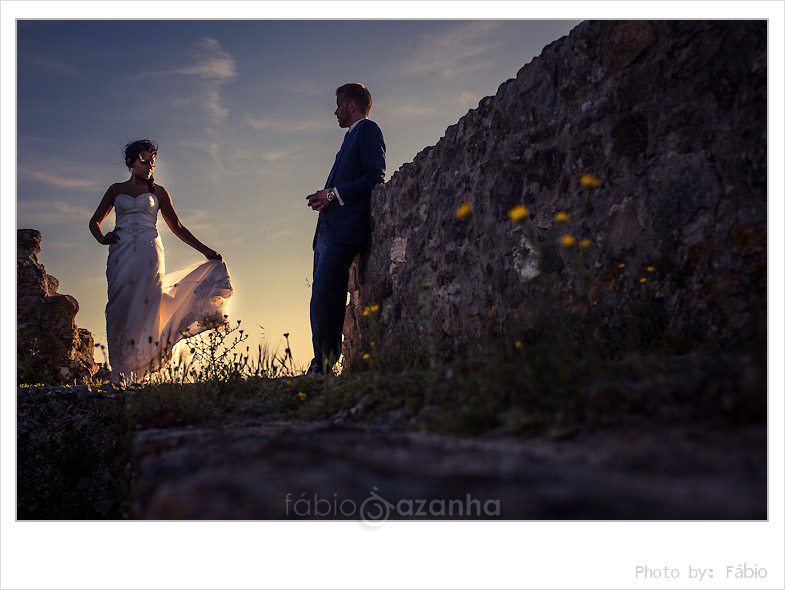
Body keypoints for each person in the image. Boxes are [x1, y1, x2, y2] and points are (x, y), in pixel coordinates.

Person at [89, 139, 232, 384]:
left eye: (152, 162)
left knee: (148, 306)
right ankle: (120, 369)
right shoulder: (115, 190)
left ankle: (141, 369)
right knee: (118, 306)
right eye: (144, 161)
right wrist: (103, 238)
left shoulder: (159, 192)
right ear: (130, 162)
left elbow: (177, 226)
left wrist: (205, 250)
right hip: (120, 254)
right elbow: (94, 222)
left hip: (149, 254)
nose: (149, 167)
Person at [306, 83, 386, 374]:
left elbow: (375, 176)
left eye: (339, 104)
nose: (335, 111)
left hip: (343, 232)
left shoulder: (366, 130)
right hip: (329, 231)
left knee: (327, 295)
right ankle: (322, 363)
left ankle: (323, 366)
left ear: (352, 105)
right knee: (322, 297)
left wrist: (331, 195)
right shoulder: (351, 137)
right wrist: (327, 198)